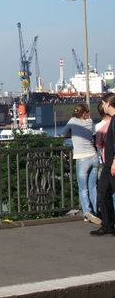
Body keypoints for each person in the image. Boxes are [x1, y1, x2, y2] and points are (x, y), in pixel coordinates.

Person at [61, 103, 100, 224]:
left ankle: (87, 213)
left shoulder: (72, 121)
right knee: (93, 187)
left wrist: (71, 134)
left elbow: (62, 134)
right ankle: (95, 212)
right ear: (85, 113)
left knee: (83, 189)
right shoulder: (90, 122)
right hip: (94, 157)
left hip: (82, 158)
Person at [91, 93, 115, 235]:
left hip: (112, 164)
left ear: (109, 104)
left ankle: (108, 225)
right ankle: (108, 225)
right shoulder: (112, 120)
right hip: (108, 163)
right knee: (102, 194)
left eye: (103, 103)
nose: (102, 106)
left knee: (104, 194)